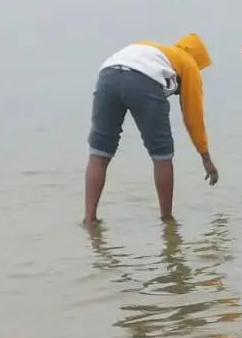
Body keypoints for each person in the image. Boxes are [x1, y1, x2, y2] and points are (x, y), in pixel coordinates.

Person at [84, 34, 219, 225]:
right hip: (144, 80)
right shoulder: (189, 65)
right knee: (162, 153)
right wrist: (205, 156)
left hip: (107, 75)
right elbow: (193, 115)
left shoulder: (153, 49)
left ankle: (89, 219)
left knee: (99, 152)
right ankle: (167, 219)